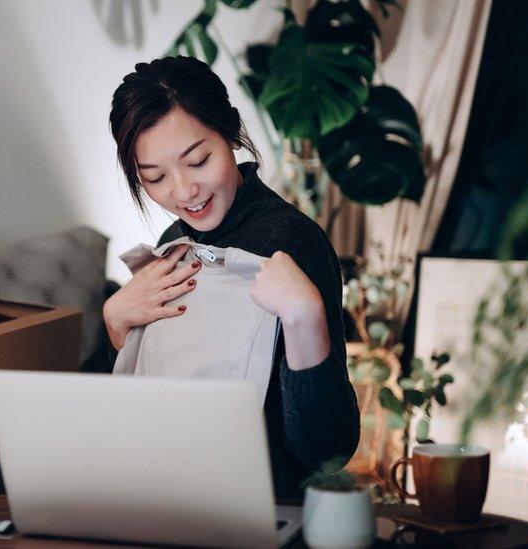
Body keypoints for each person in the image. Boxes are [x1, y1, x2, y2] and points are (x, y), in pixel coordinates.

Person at [104, 56, 360, 499]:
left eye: (198, 161)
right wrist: (116, 322)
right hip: (167, 497)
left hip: (263, 508)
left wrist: (306, 320)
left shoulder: (294, 242)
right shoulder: (173, 240)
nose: (184, 192)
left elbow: (326, 453)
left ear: (231, 132)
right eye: (155, 177)